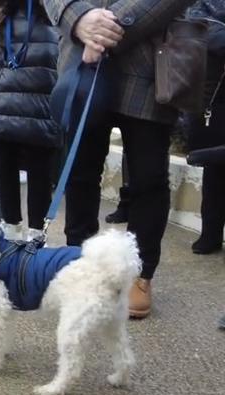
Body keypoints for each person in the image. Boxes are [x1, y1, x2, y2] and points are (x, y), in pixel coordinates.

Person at [44, 0, 197, 318]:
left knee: (148, 177)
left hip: (151, 63)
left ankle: (138, 273)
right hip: (81, 59)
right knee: (79, 174)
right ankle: (80, 261)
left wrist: (108, 28)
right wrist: (78, 18)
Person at [0, 0, 61, 242]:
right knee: (3, 164)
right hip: (1, 92)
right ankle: (10, 230)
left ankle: (37, 235)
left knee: (40, 169)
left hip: (41, 88)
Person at [187, 0, 225, 255]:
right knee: (215, 172)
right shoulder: (209, 14)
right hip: (218, 108)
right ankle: (210, 234)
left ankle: (210, 236)